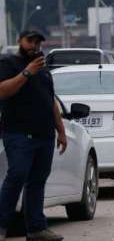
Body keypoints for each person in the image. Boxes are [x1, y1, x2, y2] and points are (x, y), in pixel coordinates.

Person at [0, 30, 67, 241]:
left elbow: (51, 101)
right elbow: (3, 91)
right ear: (20, 40)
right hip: (19, 133)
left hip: (44, 135)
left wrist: (61, 130)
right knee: (17, 175)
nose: (34, 45)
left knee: (37, 181)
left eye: (37, 42)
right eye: (30, 41)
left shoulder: (44, 71)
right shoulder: (9, 63)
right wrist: (27, 72)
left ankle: (36, 228)